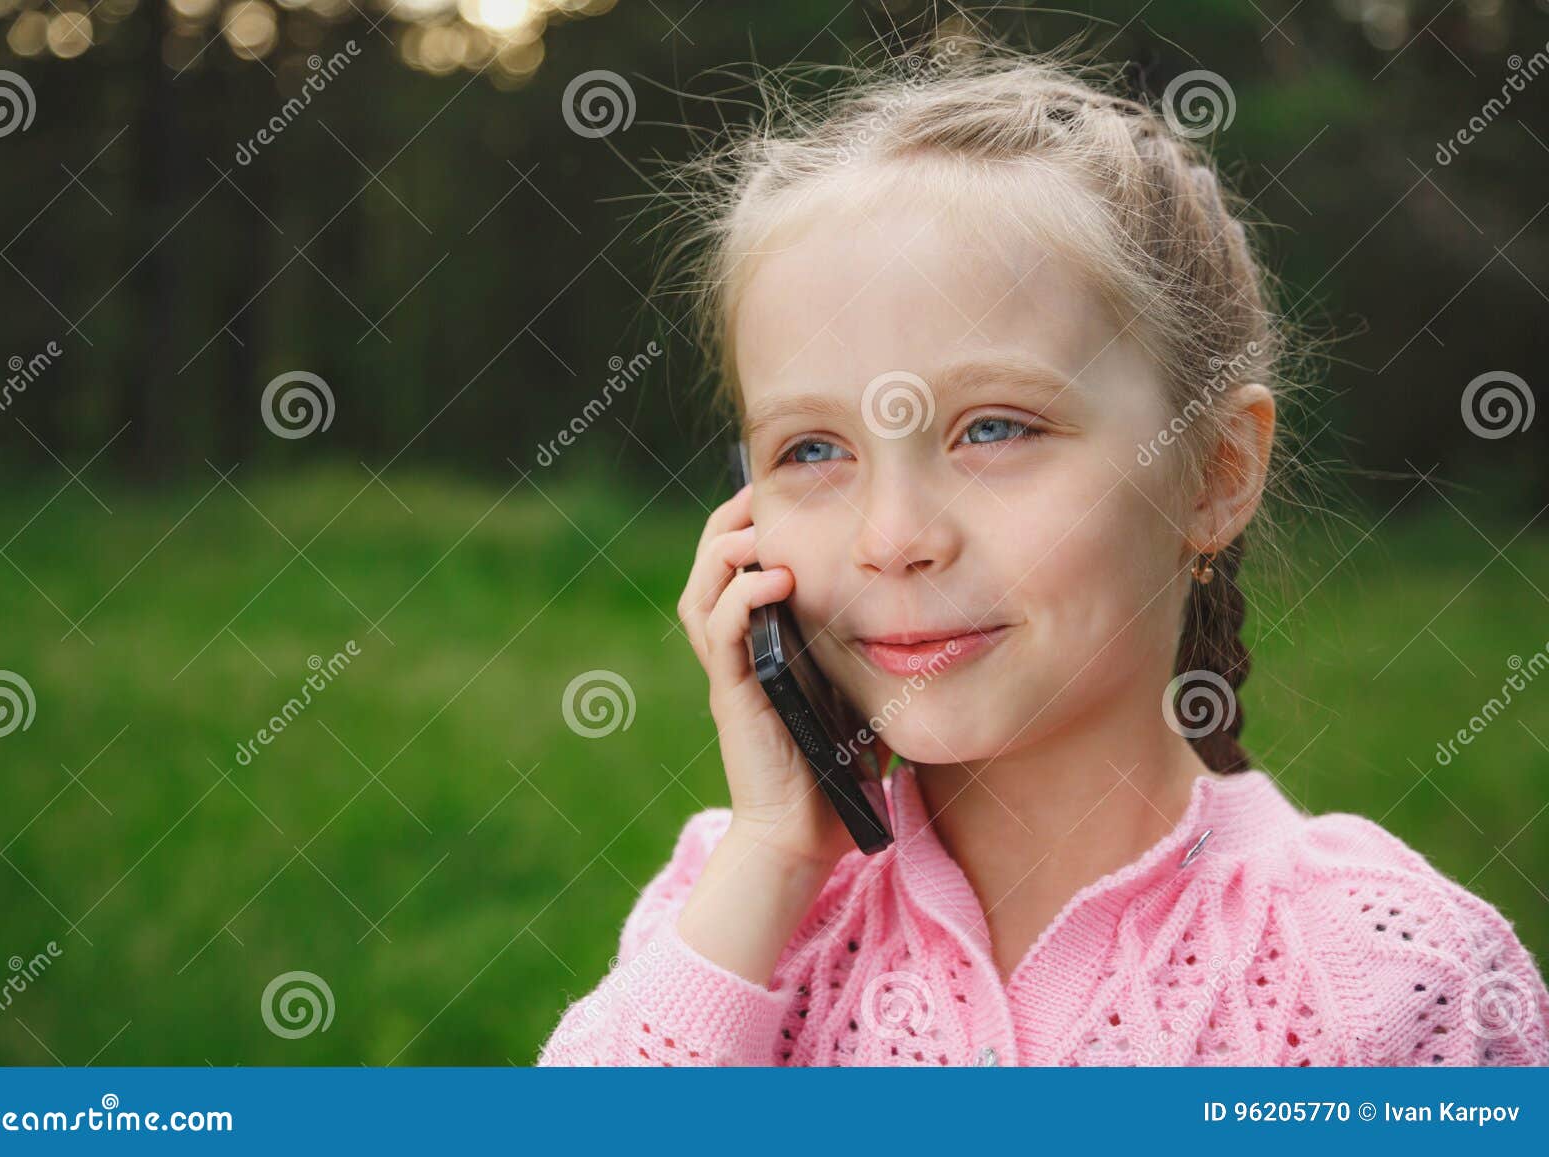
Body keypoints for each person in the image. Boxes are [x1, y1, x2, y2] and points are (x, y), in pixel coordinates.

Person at [537, 34, 1549, 1066]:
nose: (894, 538)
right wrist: (773, 856)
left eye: (992, 429)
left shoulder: (1395, 983)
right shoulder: (734, 917)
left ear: (1213, 472)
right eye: (812, 448)